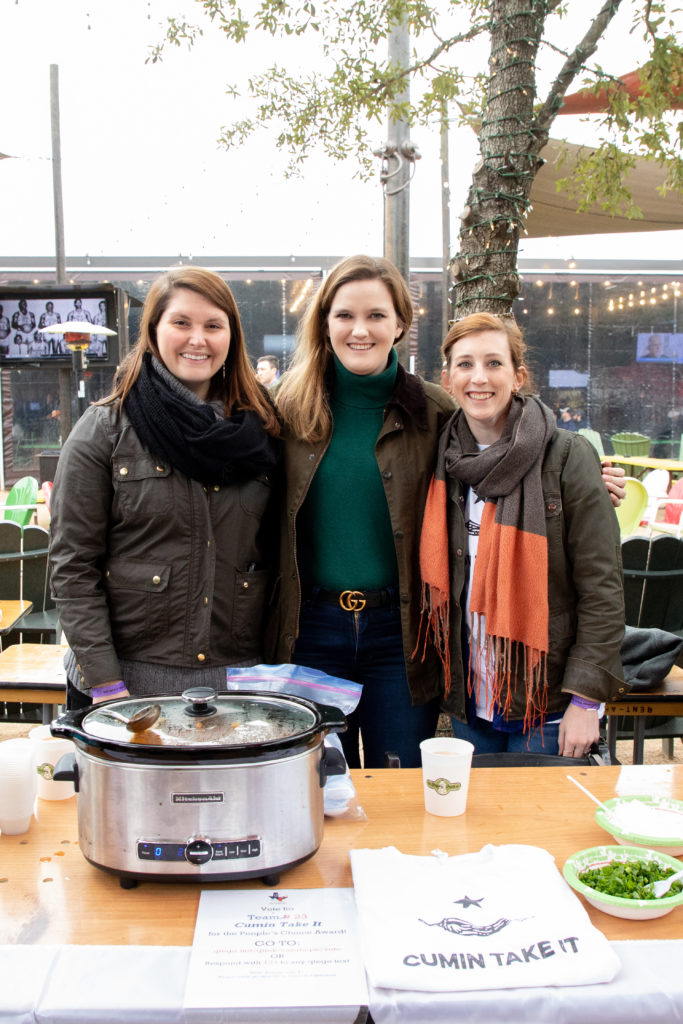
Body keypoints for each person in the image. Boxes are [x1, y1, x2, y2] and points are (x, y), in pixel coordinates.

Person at [49, 266, 281, 710]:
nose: (199, 339)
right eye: (181, 323)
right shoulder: (104, 429)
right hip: (124, 682)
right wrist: (105, 684)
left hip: (238, 681)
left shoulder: (264, 429)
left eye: (214, 325)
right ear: (153, 331)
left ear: (232, 337)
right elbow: (72, 567)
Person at [268, 255, 455, 769]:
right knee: (319, 787)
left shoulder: (437, 412)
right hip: (311, 630)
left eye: (376, 315)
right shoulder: (283, 409)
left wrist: (579, 474)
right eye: (345, 315)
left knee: (401, 781)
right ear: (325, 323)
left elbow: (507, 455)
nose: (360, 330)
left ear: (400, 323)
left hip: (401, 631)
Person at [419, 313, 626, 758]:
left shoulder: (567, 455)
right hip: (473, 699)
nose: (479, 378)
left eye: (494, 363)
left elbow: (602, 586)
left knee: (546, 827)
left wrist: (586, 700)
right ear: (447, 378)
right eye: (465, 364)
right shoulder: (441, 461)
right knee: (482, 827)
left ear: (518, 376)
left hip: (548, 701)